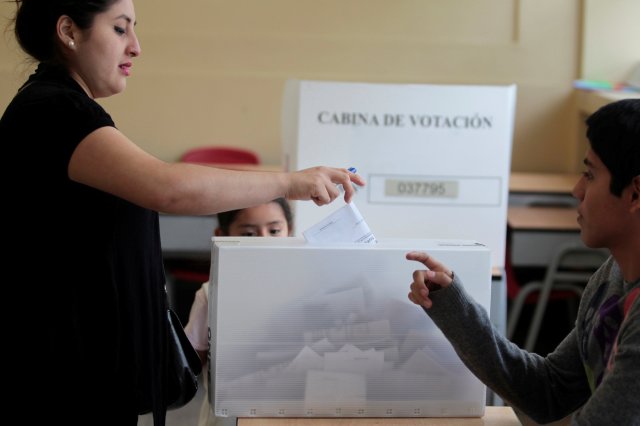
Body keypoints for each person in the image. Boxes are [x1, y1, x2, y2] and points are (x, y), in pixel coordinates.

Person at [0, 1, 364, 425]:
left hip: (82, 368)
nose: (135, 46)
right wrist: (288, 182)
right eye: (120, 29)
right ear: (69, 31)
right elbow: (168, 189)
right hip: (59, 373)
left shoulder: (66, 108)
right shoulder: (54, 111)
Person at [406, 98, 639, 425]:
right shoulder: (613, 274)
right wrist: (452, 304)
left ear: (635, 194)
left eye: (590, 174)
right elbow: (548, 390)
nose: (577, 190)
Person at [184, 198, 293, 426]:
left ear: (289, 231)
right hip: (228, 416)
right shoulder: (210, 293)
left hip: (286, 413)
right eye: (249, 234)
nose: (264, 241)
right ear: (222, 235)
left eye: (274, 230)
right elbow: (191, 359)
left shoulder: (301, 291)